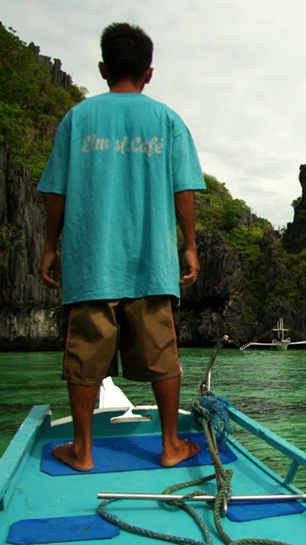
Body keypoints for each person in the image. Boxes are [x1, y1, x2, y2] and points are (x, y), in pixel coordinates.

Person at [38, 22, 205, 471]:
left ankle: (83, 451)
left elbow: (58, 192)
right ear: (148, 72)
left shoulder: (78, 119)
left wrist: (50, 247)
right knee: (162, 356)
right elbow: (183, 189)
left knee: (85, 358)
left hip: (92, 263)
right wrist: (189, 246)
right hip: (151, 263)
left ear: (102, 68)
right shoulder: (167, 120)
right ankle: (171, 446)